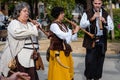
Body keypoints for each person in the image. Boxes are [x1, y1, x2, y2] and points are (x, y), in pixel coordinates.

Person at [0, 2, 44, 80]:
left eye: (28, 11)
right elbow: (17, 33)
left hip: (32, 59)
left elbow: (39, 36)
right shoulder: (14, 23)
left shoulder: (30, 24)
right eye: (24, 11)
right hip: (20, 59)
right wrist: (33, 29)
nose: (27, 13)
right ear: (18, 12)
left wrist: (38, 28)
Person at [80, 0, 114, 80]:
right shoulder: (87, 13)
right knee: (89, 61)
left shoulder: (105, 14)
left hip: (102, 40)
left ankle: (97, 78)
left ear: (101, 4)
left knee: (100, 61)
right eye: (95, 3)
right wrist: (92, 19)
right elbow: (81, 25)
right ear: (93, 3)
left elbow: (111, 27)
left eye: (99, 4)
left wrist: (105, 22)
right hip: (91, 39)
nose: (97, 5)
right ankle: (88, 77)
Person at [47, 6, 79, 80]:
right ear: (57, 14)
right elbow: (62, 36)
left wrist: (74, 29)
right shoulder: (54, 25)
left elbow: (71, 38)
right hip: (57, 52)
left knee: (67, 71)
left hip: (65, 51)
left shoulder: (63, 25)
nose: (63, 14)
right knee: (60, 73)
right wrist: (73, 31)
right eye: (62, 13)